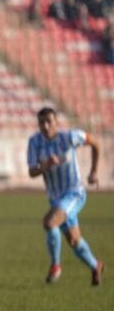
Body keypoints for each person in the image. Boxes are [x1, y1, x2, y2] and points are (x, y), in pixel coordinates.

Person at [27, 107, 104, 286]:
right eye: (41, 123)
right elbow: (32, 171)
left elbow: (96, 143)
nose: (45, 126)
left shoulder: (69, 137)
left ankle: (55, 266)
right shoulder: (34, 142)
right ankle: (96, 265)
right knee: (74, 240)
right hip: (55, 198)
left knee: (49, 222)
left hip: (74, 193)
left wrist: (93, 172)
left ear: (56, 123)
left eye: (49, 122)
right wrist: (44, 166)